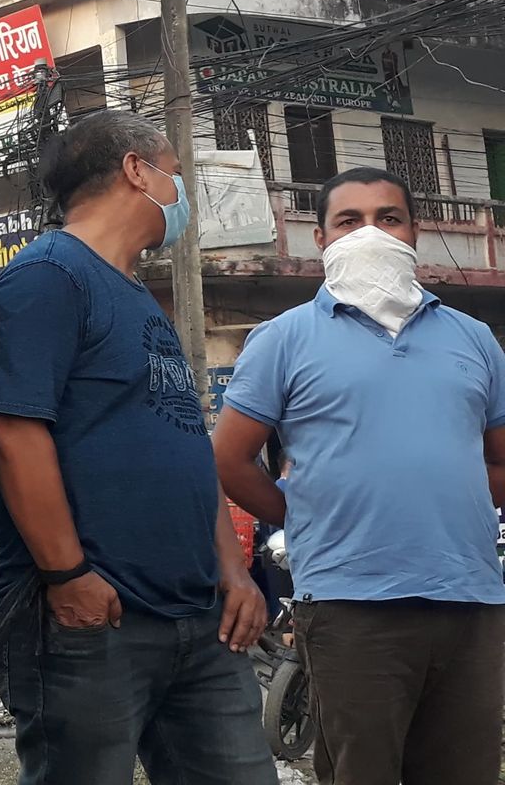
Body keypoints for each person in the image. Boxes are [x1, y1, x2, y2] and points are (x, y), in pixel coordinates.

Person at [0, 110, 272, 785]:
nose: (182, 192)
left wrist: (232, 571)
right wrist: (67, 575)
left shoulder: (139, 297)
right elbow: (14, 431)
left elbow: (185, 439)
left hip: (198, 617)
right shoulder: (49, 277)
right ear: (137, 171)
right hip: (93, 622)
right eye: (175, 172)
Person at [215, 167, 505, 785]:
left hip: (469, 599)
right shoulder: (283, 338)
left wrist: (449, 497)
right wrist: (303, 513)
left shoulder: (475, 339)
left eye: (388, 218)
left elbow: (500, 460)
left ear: (414, 231)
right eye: (349, 221)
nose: (369, 233)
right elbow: (228, 459)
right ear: (321, 238)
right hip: (349, 603)